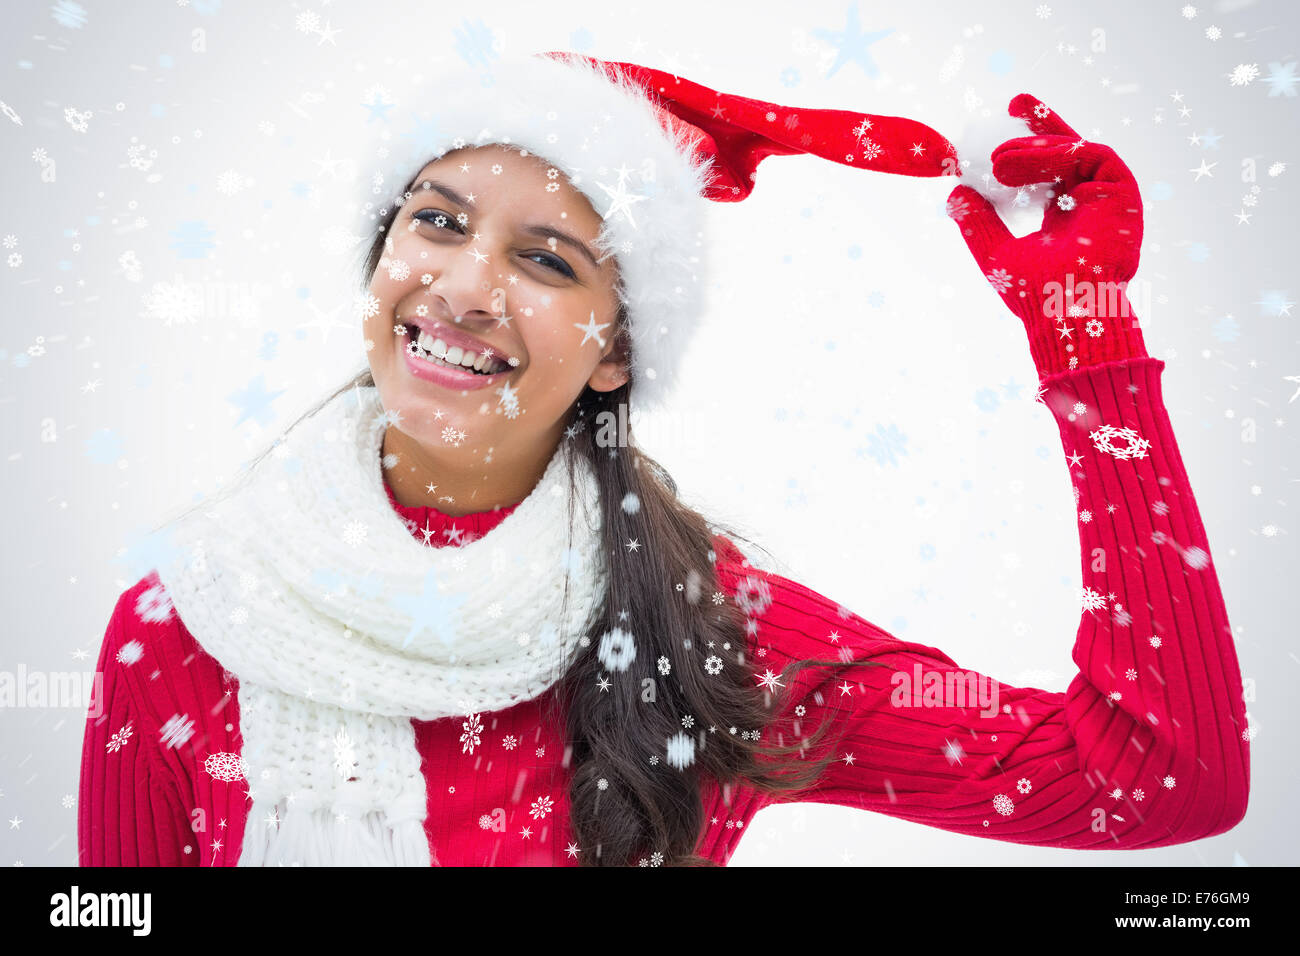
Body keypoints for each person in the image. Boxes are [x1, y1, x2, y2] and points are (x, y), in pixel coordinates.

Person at [77, 52, 1249, 867]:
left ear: (613, 352)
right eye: (435, 220)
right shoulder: (188, 619)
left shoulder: (709, 635)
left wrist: (1085, 334)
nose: (465, 288)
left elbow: (1154, 776)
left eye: (546, 260)